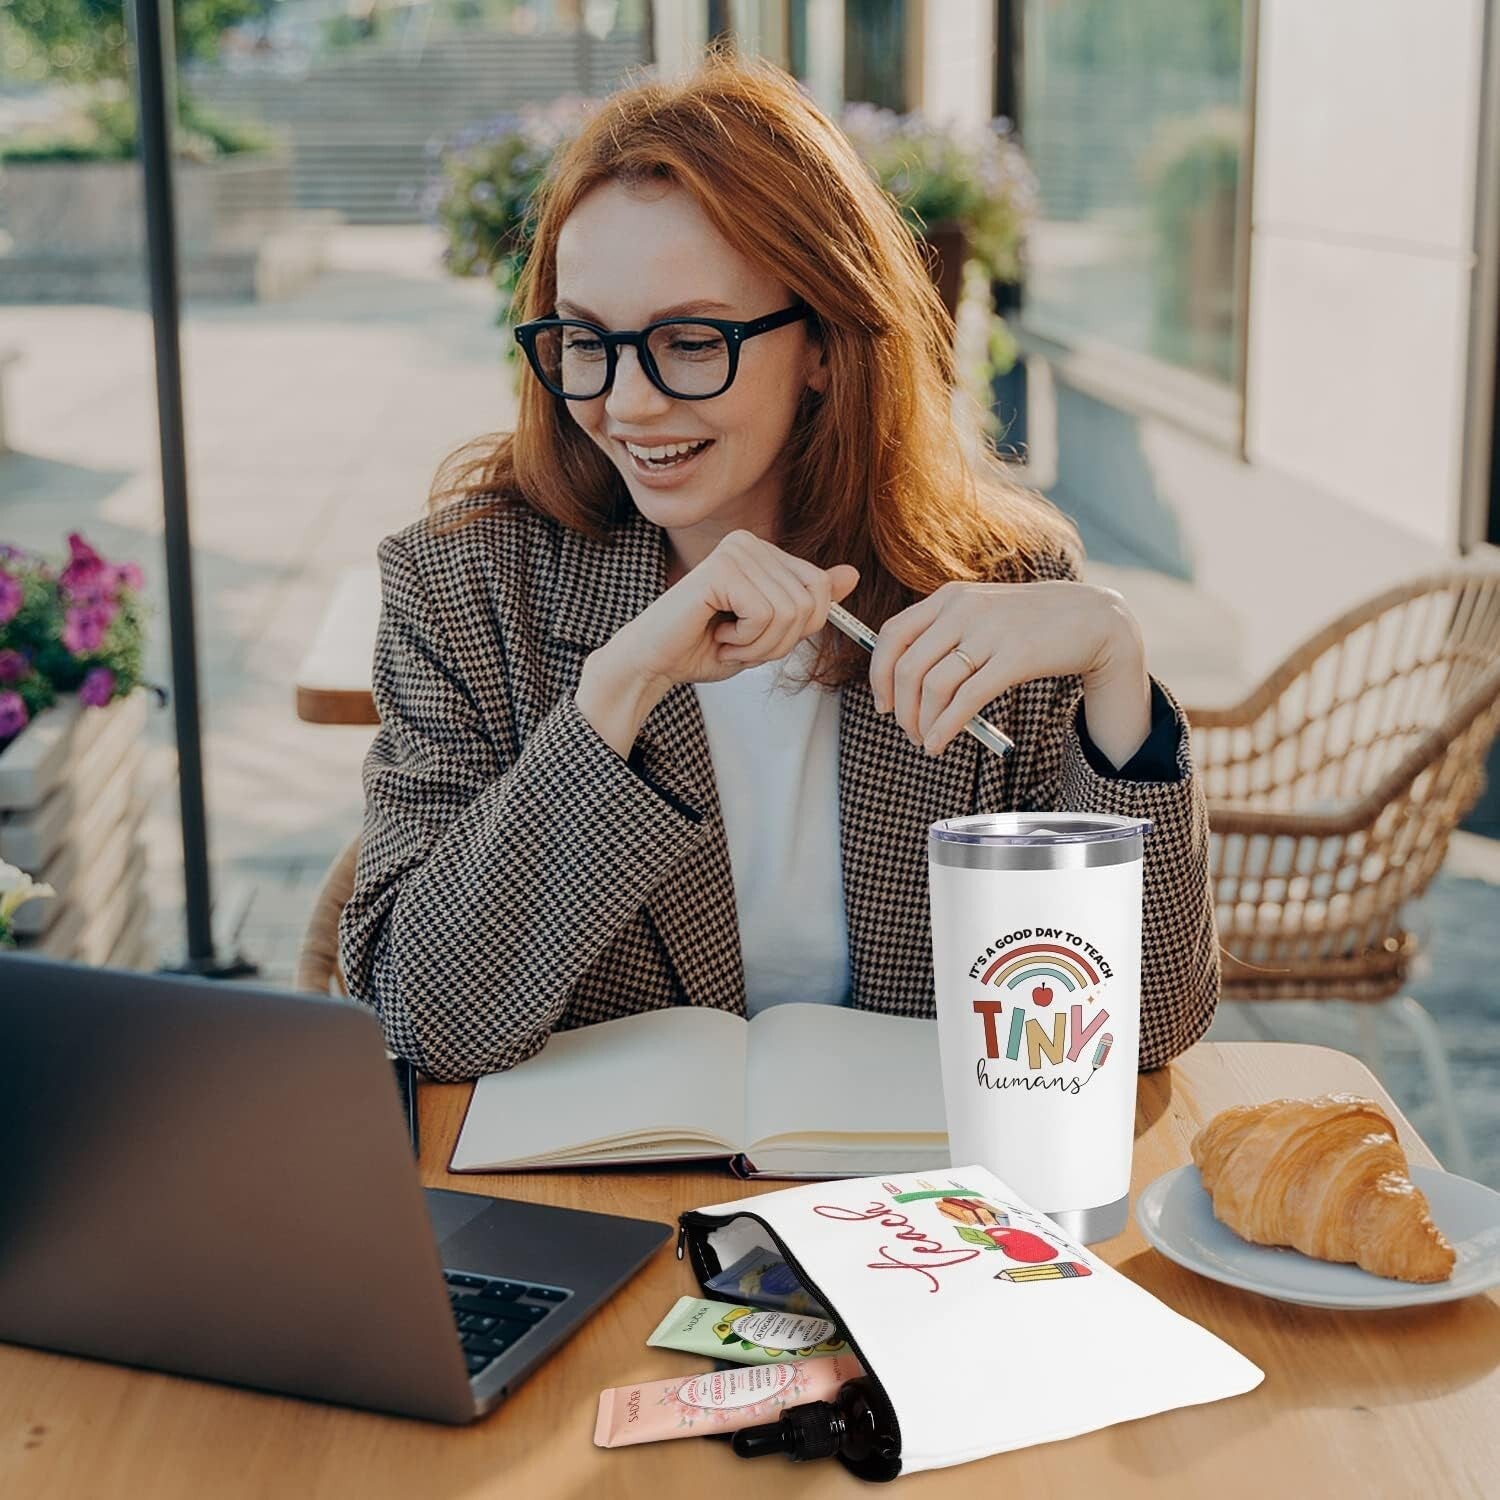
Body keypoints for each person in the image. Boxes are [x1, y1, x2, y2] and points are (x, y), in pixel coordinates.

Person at [338, 53, 1219, 1083]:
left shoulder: (1000, 587)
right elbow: (418, 1019)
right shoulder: (468, 588)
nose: (626, 405)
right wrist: (612, 700)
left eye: (692, 341)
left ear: (825, 346)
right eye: (587, 342)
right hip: (601, 1215)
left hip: (912, 1214)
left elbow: (1138, 1029)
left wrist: (1117, 669)